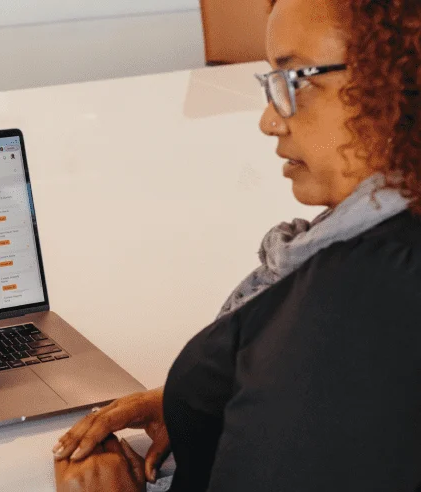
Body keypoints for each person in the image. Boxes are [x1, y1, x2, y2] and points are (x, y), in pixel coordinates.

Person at [52, 0, 421, 490]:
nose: (269, 120)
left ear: (398, 79)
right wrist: (205, 400)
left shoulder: (345, 309)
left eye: (296, 80)